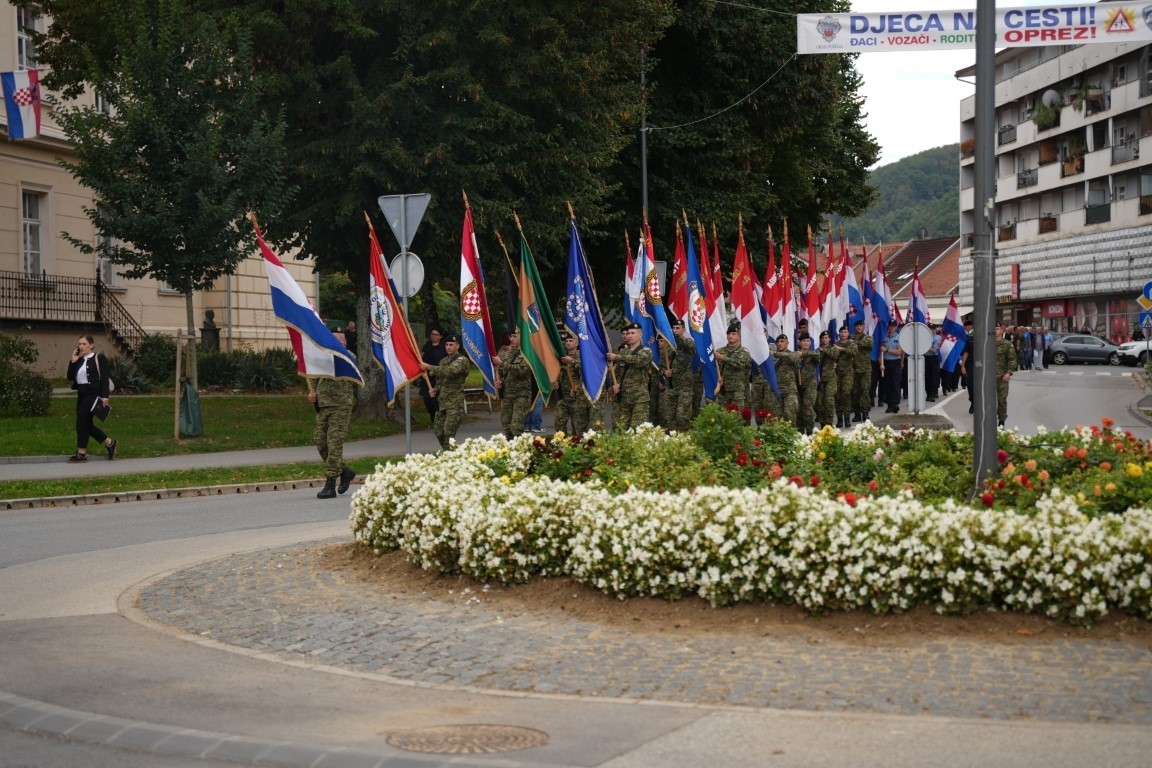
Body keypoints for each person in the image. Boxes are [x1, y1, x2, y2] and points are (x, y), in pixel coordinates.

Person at [308, 332, 358, 499]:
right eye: (334, 338)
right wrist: (312, 392)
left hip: (341, 405)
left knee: (334, 443)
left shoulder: (348, 355)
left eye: (341, 338)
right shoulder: (322, 356)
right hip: (323, 404)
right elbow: (314, 375)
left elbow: (344, 360)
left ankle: (330, 483)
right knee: (321, 442)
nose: (338, 341)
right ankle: (345, 472)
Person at [65, 335, 118, 462]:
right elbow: (70, 377)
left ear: (91, 345)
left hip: (93, 394)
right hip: (82, 394)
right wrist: (73, 361)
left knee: (80, 422)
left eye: (84, 344)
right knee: (87, 425)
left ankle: (81, 453)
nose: (81, 346)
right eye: (79, 344)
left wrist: (105, 396)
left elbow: (104, 378)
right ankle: (110, 443)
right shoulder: (79, 360)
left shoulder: (99, 358)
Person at [419, 332, 470, 450]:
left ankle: (452, 455)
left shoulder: (462, 360)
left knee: (448, 432)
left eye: (451, 344)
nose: (448, 347)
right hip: (441, 403)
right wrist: (435, 390)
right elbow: (440, 380)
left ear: (458, 346)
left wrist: (430, 367)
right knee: (438, 431)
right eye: (447, 344)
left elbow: (450, 371)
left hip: (454, 403)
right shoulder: (443, 361)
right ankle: (449, 453)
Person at [606, 322, 652, 431]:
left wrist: (618, 357)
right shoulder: (623, 351)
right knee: (620, 429)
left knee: (637, 430)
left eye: (633, 333)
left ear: (640, 335)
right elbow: (616, 373)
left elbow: (637, 360)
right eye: (628, 333)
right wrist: (615, 385)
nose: (630, 335)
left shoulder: (646, 351)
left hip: (639, 398)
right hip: (623, 398)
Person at [495, 328, 533, 439]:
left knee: (516, 426)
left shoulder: (528, 354)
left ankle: (520, 449)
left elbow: (523, 371)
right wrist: (499, 381)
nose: (512, 339)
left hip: (522, 394)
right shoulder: (508, 354)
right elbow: (502, 372)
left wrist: (502, 363)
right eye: (510, 336)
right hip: (508, 394)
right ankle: (511, 449)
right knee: (506, 424)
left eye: (515, 336)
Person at [663, 318, 697, 431]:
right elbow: (661, 366)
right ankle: (673, 442)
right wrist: (664, 372)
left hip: (684, 387)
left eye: (678, 328)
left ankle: (685, 438)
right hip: (671, 387)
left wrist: (672, 335)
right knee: (670, 417)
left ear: (683, 329)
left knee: (682, 416)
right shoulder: (667, 347)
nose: (675, 330)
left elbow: (688, 345)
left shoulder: (688, 343)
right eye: (673, 328)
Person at [555, 332, 591, 435]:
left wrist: (572, 361)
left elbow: (587, 368)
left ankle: (577, 446)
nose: (568, 343)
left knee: (578, 427)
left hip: (577, 397)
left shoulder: (582, 355)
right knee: (559, 424)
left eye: (571, 341)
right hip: (563, 397)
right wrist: (556, 382)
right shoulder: (562, 356)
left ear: (577, 343)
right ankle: (562, 445)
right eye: (566, 341)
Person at [716, 322, 752, 410]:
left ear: (739, 336)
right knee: (723, 417)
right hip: (723, 390)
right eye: (728, 334)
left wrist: (724, 358)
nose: (730, 336)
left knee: (738, 417)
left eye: (733, 334)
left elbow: (740, 364)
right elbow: (714, 368)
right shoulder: (720, 351)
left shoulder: (744, 352)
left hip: (738, 391)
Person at [794, 333, 820, 433]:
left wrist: (803, 354)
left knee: (808, 409)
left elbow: (817, 356)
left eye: (807, 341)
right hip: (798, 386)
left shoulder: (813, 353)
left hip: (810, 386)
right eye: (803, 341)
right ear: (799, 342)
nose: (805, 343)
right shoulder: (795, 354)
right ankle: (800, 433)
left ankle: (810, 433)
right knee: (799, 410)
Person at [418, 327, 446, 420]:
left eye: (436, 334)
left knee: (438, 399)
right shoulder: (426, 347)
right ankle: (433, 416)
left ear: (440, 336)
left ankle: (440, 418)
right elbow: (420, 360)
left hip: (439, 377)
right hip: (427, 377)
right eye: (432, 334)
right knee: (427, 399)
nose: (434, 336)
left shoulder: (444, 348)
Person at [814, 330, 841, 429]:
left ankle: (829, 423)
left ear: (829, 339)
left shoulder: (833, 349)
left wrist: (822, 350)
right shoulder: (817, 350)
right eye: (822, 338)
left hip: (830, 379)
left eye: (826, 338)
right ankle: (822, 423)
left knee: (829, 400)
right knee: (820, 402)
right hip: (820, 379)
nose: (824, 340)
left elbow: (834, 355)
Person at [772, 334, 800, 426]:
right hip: (777, 391)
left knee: (790, 415)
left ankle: (792, 437)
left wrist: (775, 354)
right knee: (777, 418)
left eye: (782, 341)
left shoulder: (792, 354)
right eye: (778, 342)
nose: (780, 344)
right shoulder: (772, 357)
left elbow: (792, 358)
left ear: (787, 343)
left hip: (790, 391)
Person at [833, 326, 857, 427]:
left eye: (845, 332)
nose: (843, 334)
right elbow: (832, 356)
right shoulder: (835, 345)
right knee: (838, 395)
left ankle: (847, 418)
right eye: (841, 332)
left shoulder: (852, 344)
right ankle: (839, 419)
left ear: (848, 333)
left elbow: (853, 352)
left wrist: (841, 349)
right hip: (837, 373)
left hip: (848, 373)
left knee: (846, 394)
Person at [850, 319, 872, 422]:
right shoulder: (851, 337)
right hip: (853, 369)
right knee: (855, 392)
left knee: (864, 391)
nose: (859, 327)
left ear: (864, 327)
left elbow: (867, 344)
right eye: (857, 326)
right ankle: (857, 413)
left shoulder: (867, 338)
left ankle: (865, 412)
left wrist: (854, 342)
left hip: (865, 369)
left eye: (861, 326)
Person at [880, 320, 904, 413]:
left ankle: (895, 404)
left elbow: (899, 352)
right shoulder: (884, 337)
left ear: (896, 327)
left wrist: (887, 350)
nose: (892, 327)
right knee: (887, 385)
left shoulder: (899, 338)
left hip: (895, 363)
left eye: (893, 326)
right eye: (890, 326)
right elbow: (880, 353)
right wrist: (881, 364)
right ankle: (890, 404)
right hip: (886, 362)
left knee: (895, 384)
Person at [995, 324, 1016, 427]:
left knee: (1001, 399)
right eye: (994, 329)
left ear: (1002, 330)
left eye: (997, 329)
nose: (995, 331)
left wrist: (1009, 373)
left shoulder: (1007, 344)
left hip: (1002, 377)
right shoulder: (986, 343)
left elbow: (1012, 360)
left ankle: (1001, 421)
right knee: (986, 400)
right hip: (988, 378)